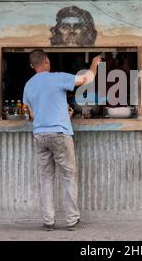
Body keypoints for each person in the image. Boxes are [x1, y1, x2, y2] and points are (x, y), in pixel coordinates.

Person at [23, 49, 102, 231]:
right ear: (47, 62)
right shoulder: (57, 77)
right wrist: (94, 63)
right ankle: (71, 220)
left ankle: (48, 221)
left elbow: (33, 114)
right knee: (68, 176)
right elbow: (86, 79)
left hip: (40, 135)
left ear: (31, 66)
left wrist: (60, 113)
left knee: (46, 179)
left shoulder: (28, 85)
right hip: (59, 134)